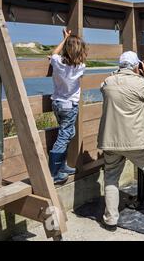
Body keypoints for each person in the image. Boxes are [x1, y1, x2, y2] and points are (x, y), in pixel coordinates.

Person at [98, 51, 144, 232]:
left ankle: (111, 219)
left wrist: (117, 73)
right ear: (137, 66)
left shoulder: (107, 82)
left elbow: (104, 86)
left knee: (111, 177)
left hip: (111, 141)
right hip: (137, 141)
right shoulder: (141, 83)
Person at [48, 28, 87, 184]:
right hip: (69, 106)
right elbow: (74, 61)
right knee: (64, 137)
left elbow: (54, 53)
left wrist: (65, 39)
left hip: (57, 103)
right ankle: (54, 173)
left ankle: (62, 166)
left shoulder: (57, 62)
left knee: (67, 134)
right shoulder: (80, 67)